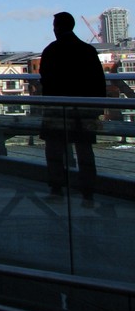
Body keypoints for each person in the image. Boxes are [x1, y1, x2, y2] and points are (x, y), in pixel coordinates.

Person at [39, 11, 107, 205]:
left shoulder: (51, 50)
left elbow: (45, 80)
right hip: (84, 108)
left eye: (54, 26)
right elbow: (98, 81)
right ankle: (88, 193)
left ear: (58, 28)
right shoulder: (87, 50)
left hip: (56, 108)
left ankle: (57, 188)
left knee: (54, 148)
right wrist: (97, 109)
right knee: (84, 149)